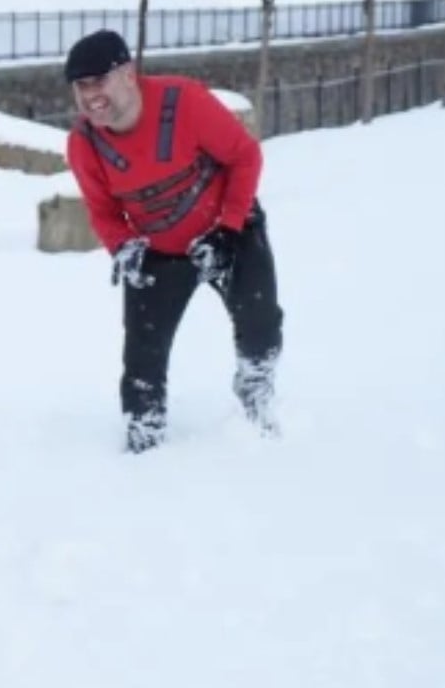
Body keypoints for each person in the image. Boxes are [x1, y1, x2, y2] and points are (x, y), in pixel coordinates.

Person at [62, 29, 284, 451]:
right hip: (158, 254)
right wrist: (124, 247)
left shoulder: (184, 102)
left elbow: (244, 157)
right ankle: (144, 438)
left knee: (262, 326)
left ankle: (256, 393)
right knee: (142, 361)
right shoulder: (84, 145)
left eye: (98, 81)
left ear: (127, 74)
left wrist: (228, 227)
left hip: (228, 231)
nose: (90, 95)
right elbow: (104, 210)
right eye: (80, 86)